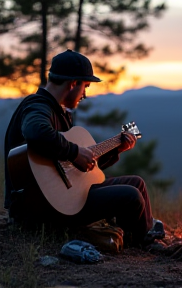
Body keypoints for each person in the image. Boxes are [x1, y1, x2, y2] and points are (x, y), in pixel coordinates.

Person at [4, 49, 165, 246]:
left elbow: (74, 173)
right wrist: (74, 152)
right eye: (85, 86)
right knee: (130, 196)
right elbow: (35, 132)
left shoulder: (60, 113)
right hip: (40, 210)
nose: (85, 95)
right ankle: (144, 242)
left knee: (136, 183)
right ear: (73, 83)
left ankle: (139, 232)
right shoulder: (38, 107)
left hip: (61, 200)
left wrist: (116, 149)